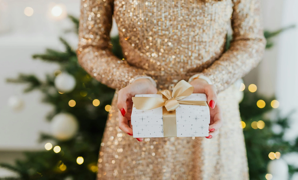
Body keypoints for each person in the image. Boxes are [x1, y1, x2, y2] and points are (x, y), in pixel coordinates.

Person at [77, 0, 266, 179]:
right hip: (140, 114)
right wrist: (130, 79)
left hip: (206, 115)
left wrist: (212, 79)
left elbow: (250, 41)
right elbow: (90, 47)